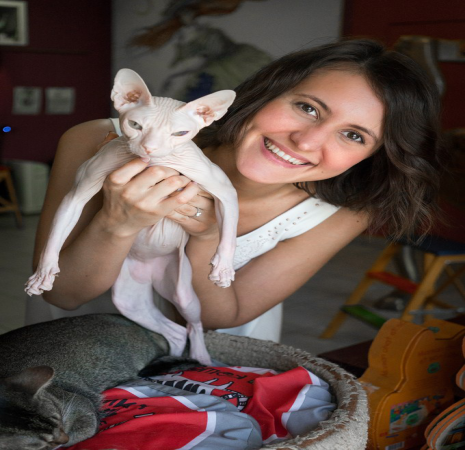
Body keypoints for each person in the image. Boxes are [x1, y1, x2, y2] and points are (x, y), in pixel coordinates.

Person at [28, 39, 443, 342]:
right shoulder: (98, 141)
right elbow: (63, 294)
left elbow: (223, 316)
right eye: (307, 107)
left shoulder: (339, 215)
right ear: (267, 92)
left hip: (215, 371)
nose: (306, 141)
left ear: (372, 156)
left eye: (353, 135)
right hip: (66, 356)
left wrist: (207, 236)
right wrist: (116, 224)